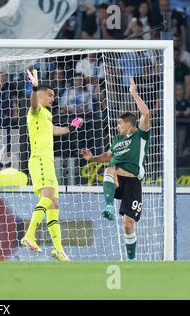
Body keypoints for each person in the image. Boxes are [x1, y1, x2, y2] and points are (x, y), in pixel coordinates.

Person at [81, 78, 150, 261]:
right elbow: (108, 156)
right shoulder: (117, 141)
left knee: (128, 225)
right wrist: (92, 158)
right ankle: (109, 206)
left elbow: (146, 114)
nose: (118, 126)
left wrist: (133, 93)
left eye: (120, 124)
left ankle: (132, 260)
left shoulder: (140, 136)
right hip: (118, 179)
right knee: (109, 169)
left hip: (133, 182)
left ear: (129, 124)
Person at [21, 69, 83, 262]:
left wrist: (70, 128)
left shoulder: (46, 115)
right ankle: (29, 235)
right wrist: (34, 89)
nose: (53, 98)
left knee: (54, 204)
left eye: (54, 96)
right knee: (47, 198)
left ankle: (58, 248)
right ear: (40, 94)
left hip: (47, 161)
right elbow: (33, 105)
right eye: (50, 95)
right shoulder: (36, 109)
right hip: (39, 159)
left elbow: (53, 131)